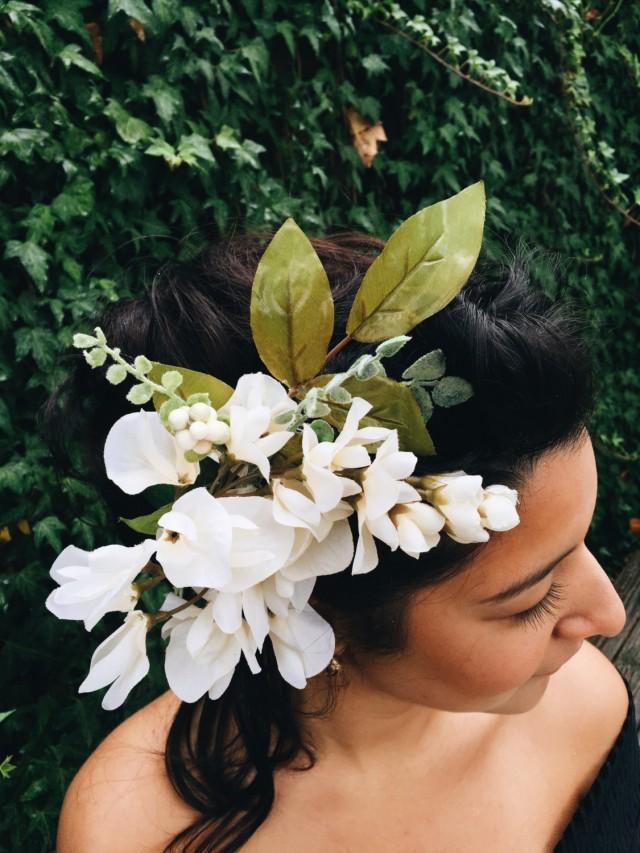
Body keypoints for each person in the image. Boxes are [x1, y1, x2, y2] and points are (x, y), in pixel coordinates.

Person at [50, 230, 637, 852]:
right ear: (311, 606)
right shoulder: (130, 833)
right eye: (532, 602)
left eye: (580, 545)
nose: (611, 615)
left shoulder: (588, 713)